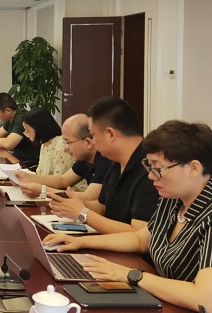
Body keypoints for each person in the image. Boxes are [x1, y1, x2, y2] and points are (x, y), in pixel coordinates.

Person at [43, 120, 212, 313]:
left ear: (194, 168)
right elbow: (141, 239)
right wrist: (80, 242)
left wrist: (133, 276)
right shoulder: (174, 199)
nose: (151, 176)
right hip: (167, 305)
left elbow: (205, 300)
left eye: (158, 169)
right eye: (149, 167)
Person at [47, 97, 159, 234]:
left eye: (93, 135)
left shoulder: (150, 168)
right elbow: (102, 206)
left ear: (110, 134)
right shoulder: (115, 162)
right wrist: (75, 204)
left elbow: (138, 234)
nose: (92, 142)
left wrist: (82, 213)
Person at [14, 113, 111, 200]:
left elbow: (87, 198)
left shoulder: (105, 160)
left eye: (68, 142)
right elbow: (63, 180)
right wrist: (26, 177)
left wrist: (43, 190)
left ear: (88, 143)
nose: (65, 149)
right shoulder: (85, 158)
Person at [0, 93, 40, 162]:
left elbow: (8, 144)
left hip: (27, 160)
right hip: (16, 155)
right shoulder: (10, 116)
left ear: (8, 111)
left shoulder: (22, 118)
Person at [21, 107, 77, 179]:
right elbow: (40, 173)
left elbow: (59, 180)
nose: (26, 134)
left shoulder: (61, 146)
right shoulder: (44, 144)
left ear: (38, 128)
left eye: (27, 130)